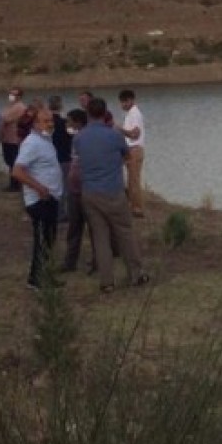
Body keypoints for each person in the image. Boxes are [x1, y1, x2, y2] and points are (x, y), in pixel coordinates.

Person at [72, 97, 147, 292]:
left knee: (100, 237)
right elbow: (127, 157)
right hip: (113, 192)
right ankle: (136, 274)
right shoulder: (114, 136)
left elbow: (79, 161)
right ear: (105, 114)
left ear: (87, 114)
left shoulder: (79, 138)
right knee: (125, 233)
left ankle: (107, 282)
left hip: (90, 193)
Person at [13, 108, 64, 291]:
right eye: (45, 121)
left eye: (51, 120)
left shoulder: (46, 140)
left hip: (51, 198)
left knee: (49, 241)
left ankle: (46, 276)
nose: (50, 124)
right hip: (39, 200)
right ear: (35, 124)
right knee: (42, 241)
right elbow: (17, 171)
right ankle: (36, 280)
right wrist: (39, 187)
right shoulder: (32, 143)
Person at [61, 108, 92, 273]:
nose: (68, 124)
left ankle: (97, 261)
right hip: (74, 190)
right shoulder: (76, 137)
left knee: (93, 227)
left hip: (87, 189)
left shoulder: (87, 137)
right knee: (74, 226)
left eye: (70, 121)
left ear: (78, 122)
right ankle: (70, 262)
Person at [118, 89, 146, 217]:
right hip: (131, 150)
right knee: (131, 180)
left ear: (130, 100)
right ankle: (132, 206)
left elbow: (135, 134)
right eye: (121, 102)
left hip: (134, 149)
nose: (122, 105)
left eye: (124, 102)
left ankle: (137, 209)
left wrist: (119, 129)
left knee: (134, 180)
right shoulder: (131, 113)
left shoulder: (134, 114)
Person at [47, 96, 72, 221]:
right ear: (61, 106)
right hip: (64, 157)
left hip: (48, 159)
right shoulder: (65, 123)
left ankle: (49, 211)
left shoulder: (45, 124)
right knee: (63, 188)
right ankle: (61, 213)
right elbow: (72, 139)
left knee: (50, 185)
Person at [0, 87, 28, 192]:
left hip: (14, 139)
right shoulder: (10, 107)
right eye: (10, 94)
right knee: (9, 161)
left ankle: (15, 185)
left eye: (14, 94)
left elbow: (5, 119)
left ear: (19, 96)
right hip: (7, 138)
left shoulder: (20, 108)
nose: (11, 96)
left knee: (13, 162)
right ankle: (14, 183)